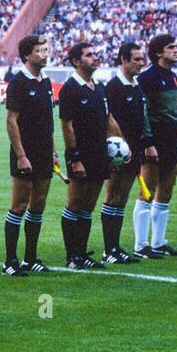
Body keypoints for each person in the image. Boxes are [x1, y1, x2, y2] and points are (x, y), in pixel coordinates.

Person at [59, 42, 121, 268]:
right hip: (80, 154)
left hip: (99, 153)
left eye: (94, 54)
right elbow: (67, 126)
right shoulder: (70, 88)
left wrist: (119, 147)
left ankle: (82, 253)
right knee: (75, 202)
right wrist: (75, 158)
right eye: (88, 55)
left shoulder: (99, 86)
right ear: (76, 61)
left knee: (89, 205)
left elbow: (108, 119)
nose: (94, 58)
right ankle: (71, 256)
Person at [2, 34, 54, 275]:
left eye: (46, 49)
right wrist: (21, 155)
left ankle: (30, 258)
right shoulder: (18, 82)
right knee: (19, 205)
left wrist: (53, 151)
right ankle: (10, 262)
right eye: (40, 50)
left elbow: (49, 122)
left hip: (44, 152)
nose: (45, 53)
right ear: (27, 55)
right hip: (25, 152)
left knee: (38, 205)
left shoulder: (45, 82)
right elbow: (11, 121)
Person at [102, 42, 156, 264]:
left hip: (134, 150)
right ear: (123, 60)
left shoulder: (135, 86)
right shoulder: (113, 86)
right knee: (112, 196)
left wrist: (146, 144)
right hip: (118, 151)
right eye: (136, 59)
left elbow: (141, 120)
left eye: (142, 59)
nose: (141, 63)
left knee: (122, 198)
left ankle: (116, 247)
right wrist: (119, 147)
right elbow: (107, 120)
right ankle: (108, 250)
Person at [133, 33, 177, 258]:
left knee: (167, 188)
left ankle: (158, 242)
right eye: (171, 47)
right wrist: (147, 142)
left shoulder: (172, 76)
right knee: (148, 189)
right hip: (154, 140)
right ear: (159, 53)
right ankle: (141, 245)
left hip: (170, 140)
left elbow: (174, 111)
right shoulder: (147, 78)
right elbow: (143, 113)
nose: (176, 50)